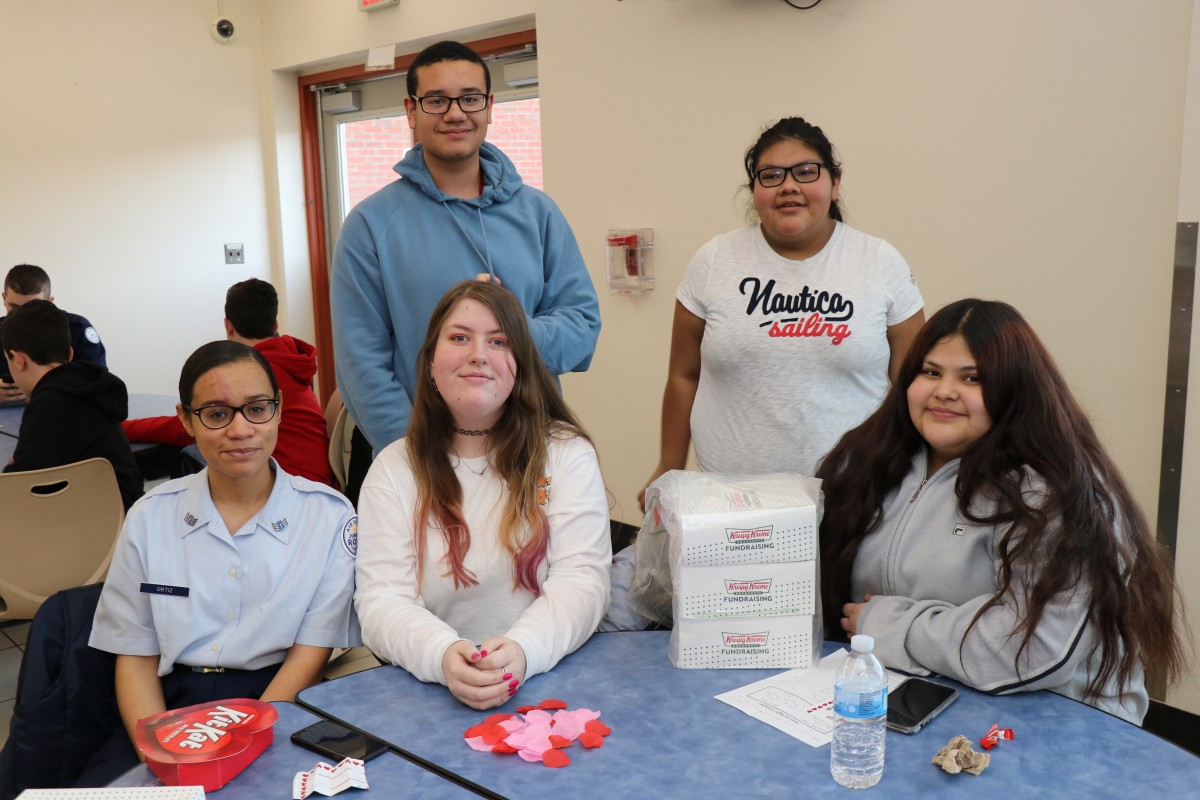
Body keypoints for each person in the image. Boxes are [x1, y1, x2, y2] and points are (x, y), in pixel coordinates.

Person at [817, 299, 1183, 724]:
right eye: (930, 372)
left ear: (1015, 389)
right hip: (923, 701)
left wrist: (890, 627)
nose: (944, 391)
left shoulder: (1058, 492)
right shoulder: (866, 461)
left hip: (1060, 724)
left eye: (972, 378)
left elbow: (1034, 647)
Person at [82, 341, 359, 785]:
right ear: (186, 420)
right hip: (165, 707)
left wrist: (241, 745)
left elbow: (310, 653)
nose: (240, 429)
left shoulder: (329, 517)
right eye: (216, 414)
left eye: (256, 409)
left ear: (279, 409)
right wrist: (163, 755)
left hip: (277, 700)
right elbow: (134, 657)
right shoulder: (151, 516)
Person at [331, 40, 601, 474]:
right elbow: (362, 364)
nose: (455, 113)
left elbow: (582, 330)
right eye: (436, 100)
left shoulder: (539, 214)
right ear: (411, 109)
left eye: (470, 98)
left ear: (490, 106)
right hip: (422, 460)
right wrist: (416, 460)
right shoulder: (371, 225)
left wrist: (508, 331)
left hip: (525, 453)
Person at [640, 117, 924, 508]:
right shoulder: (715, 260)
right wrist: (668, 466)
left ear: (835, 182)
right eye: (770, 175)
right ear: (754, 189)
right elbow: (683, 374)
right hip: (731, 502)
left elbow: (913, 384)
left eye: (806, 172)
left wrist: (921, 472)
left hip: (853, 495)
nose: (789, 186)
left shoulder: (879, 261)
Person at [354, 281, 610, 710]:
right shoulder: (393, 469)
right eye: (459, 338)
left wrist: (524, 650)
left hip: (550, 684)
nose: (478, 354)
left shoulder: (567, 455)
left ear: (520, 364)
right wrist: (442, 655)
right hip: (432, 693)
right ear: (431, 362)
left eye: (498, 341)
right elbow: (381, 600)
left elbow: (582, 581)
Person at [122, 278, 335, 486]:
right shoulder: (289, 361)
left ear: (228, 326)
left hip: (294, 487)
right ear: (275, 325)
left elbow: (184, 427)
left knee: (187, 451)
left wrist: (122, 428)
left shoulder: (258, 373)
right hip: (316, 478)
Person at [2, 299, 142, 510]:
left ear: (19, 359)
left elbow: (16, 490)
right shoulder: (89, 389)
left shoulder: (48, 406)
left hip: (95, 527)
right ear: (70, 353)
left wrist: (14, 467)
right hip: (126, 517)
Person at [1, 264, 106, 403]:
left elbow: (97, 382)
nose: (22, 316)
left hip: (63, 414)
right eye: (14, 308)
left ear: (50, 302)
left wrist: (41, 391)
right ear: (4, 298)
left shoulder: (77, 329)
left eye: (32, 307)